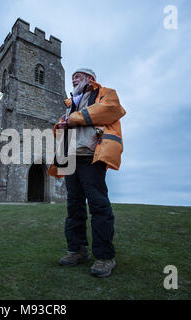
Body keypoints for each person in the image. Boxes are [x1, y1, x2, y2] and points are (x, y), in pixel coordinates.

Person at [48, 68, 126, 278]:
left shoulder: (105, 93)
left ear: (90, 79)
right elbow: (64, 128)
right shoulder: (70, 102)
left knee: (98, 205)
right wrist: (62, 124)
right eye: (73, 77)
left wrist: (74, 118)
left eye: (78, 76)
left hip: (91, 156)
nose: (74, 78)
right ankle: (77, 250)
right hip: (69, 157)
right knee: (74, 207)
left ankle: (105, 257)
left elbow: (109, 110)